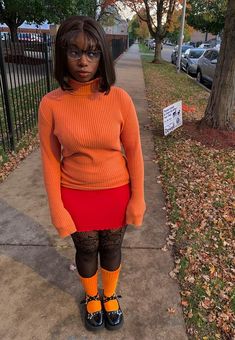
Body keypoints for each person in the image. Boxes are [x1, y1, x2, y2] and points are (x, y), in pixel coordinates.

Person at [38, 15, 146, 332]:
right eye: (75, 52)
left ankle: (109, 295)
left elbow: (135, 152)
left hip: (116, 190)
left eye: (93, 52)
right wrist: (56, 208)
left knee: (112, 249)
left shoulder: (120, 99)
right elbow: (48, 159)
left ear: (102, 56)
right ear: (63, 54)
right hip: (75, 193)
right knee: (86, 251)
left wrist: (138, 198)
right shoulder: (50, 105)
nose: (84, 61)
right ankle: (91, 297)